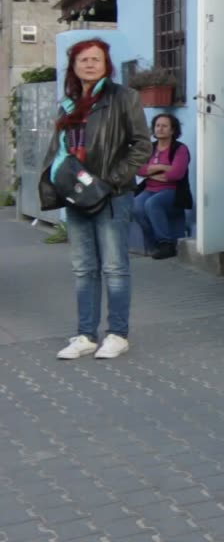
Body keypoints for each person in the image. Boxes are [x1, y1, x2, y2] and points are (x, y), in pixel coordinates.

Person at [40, 38, 151, 360]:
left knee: (115, 267)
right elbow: (59, 150)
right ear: (74, 66)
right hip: (76, 196)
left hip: (112, 195)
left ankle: (117, 334)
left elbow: (141, 145)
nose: (90, 64)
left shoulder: (123, 97)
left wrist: (110, 180)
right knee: (83, 268)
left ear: (106, 65)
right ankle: (86, 335)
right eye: (83, 60)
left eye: (96, 59)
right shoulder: (69, 103)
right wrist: (58, 182)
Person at [133, 113, 192, 260]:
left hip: (172, 191)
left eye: (165, 126)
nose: (160, 129)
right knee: (136, 206)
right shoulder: (150, 148)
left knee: (152, 204)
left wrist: (150, 171)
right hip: (150, 189)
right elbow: (138, 169)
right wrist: (161, 167)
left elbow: (176, 174)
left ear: (172, 130)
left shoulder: (180, 149)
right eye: (157, 125)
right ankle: (154, 242)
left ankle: (166, 244)